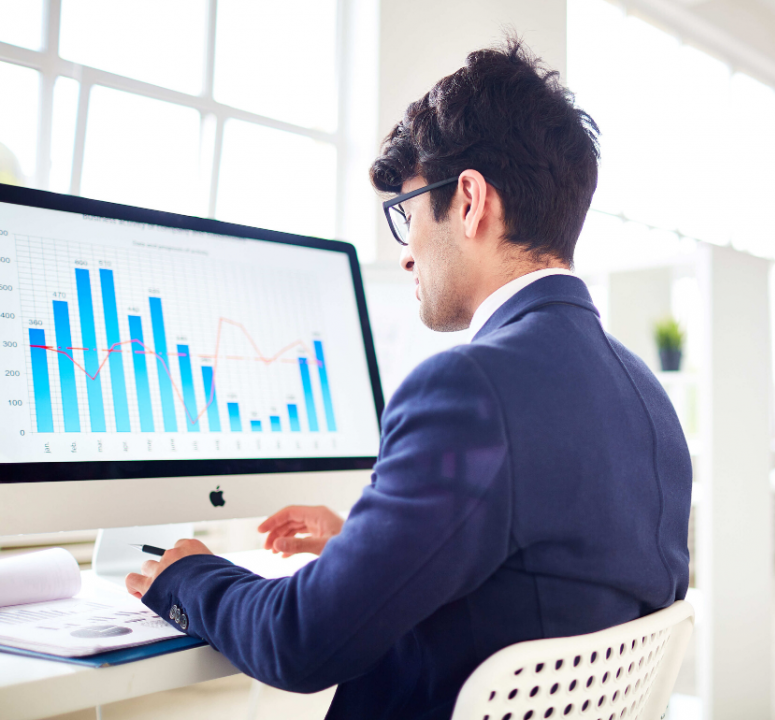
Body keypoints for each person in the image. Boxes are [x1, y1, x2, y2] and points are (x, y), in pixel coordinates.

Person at [126, 38, 692, 720]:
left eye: (409, 212)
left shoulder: (469, 388)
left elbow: (301, 643)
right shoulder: (647, 396)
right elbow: (549, 574)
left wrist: (187, 571)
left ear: (471, 201)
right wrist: (360, 545)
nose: (406, 254)